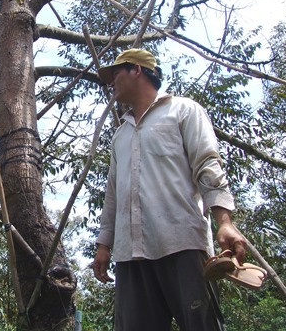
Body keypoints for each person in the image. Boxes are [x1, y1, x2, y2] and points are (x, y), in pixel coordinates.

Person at [92, 49, 246, 331]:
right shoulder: (120, 136)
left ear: (137, 69)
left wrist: (225, 223)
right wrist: (104, 245)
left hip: (182, 244)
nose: (111, 82)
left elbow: (207, 165)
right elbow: (113, 194)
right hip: (130, 255)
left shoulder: (183, 111)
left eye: (116, 73)